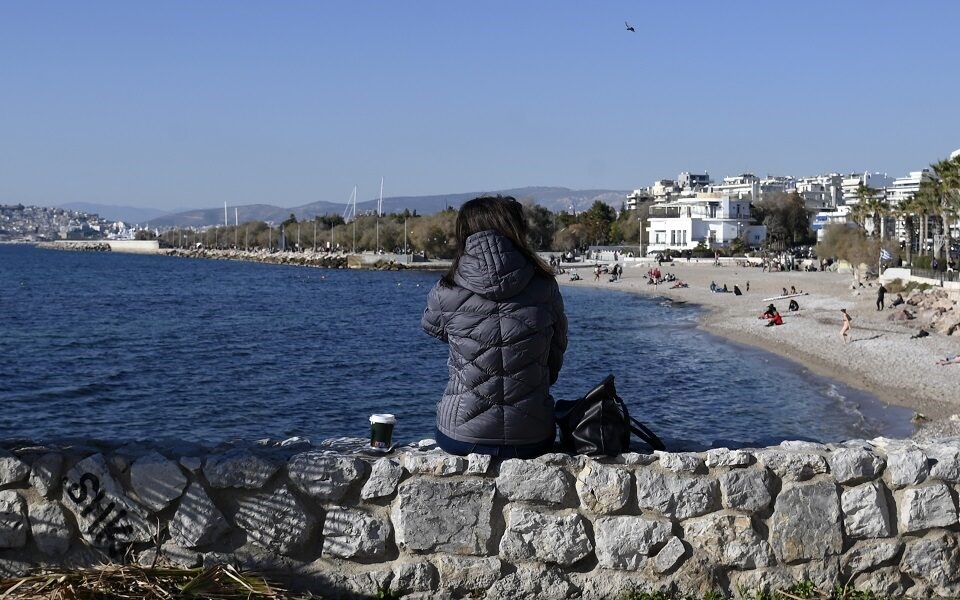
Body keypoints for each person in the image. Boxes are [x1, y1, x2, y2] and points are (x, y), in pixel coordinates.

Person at [422, 196, 567, 458]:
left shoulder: (446, 290)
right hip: (533, 435)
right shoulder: (545, 286)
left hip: (462, 436)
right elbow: (555, 357)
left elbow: (431, 327)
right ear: (516, 230)